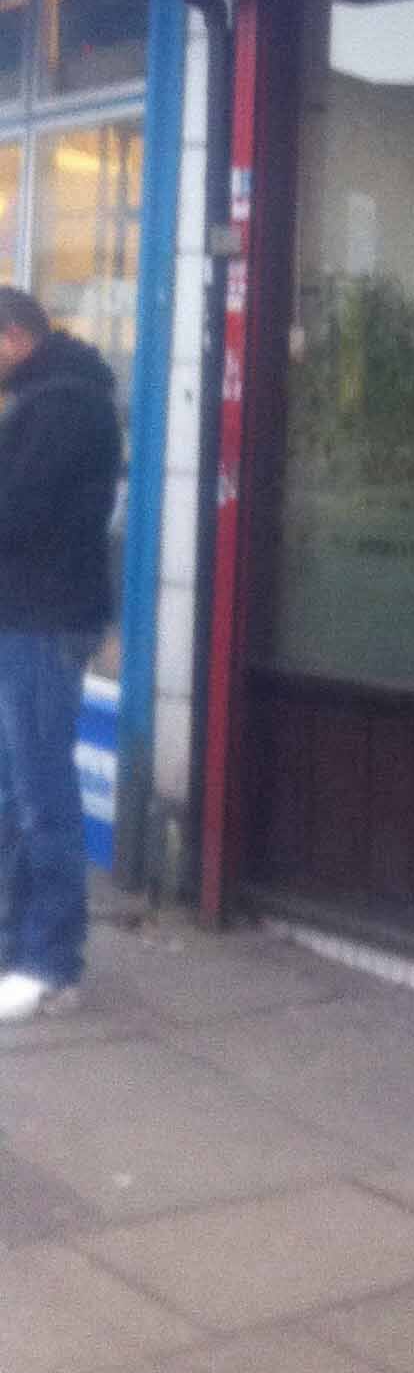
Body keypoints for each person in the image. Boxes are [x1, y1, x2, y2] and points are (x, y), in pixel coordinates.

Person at [0, 290, 121, 1020]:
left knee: (43, 796)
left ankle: (51, 963)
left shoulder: (64, 403)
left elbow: (15, 513)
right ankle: (17, 947)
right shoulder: (45, 395)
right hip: (27, 615)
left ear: (14, 336)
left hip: (45, 621)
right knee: (15, 792)